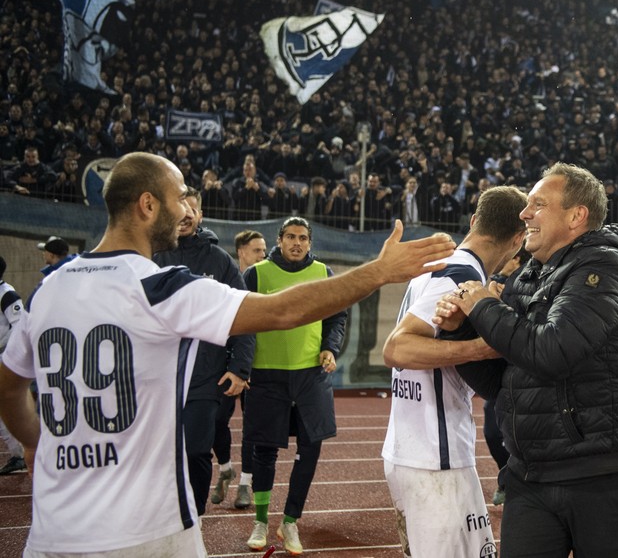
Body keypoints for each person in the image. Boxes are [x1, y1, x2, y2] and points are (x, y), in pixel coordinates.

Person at [0, 152, 454, 557]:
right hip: (142, 530)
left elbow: (7, 384)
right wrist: (378, 272)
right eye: (180, 198)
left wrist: (40, 441)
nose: (187, 210)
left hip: (52, 531)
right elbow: (283, 310)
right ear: (147, 205)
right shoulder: (160, 287)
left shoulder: (49, 287)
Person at [438, 163, 618, 558]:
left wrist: (484, 306)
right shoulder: (529, 275)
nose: (524, 213)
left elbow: (553, 351)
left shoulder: (604, 266)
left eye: (538, 204)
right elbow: (505, 381)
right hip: (530, 473)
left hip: (601, 476)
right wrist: (460, 329)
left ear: (576, 216)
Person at [381, 186, 527, 558]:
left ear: (475, 220)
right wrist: (480, 347)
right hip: (436, 455)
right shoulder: (459, 277)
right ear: (518, 240)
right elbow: (397, 348)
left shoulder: (439, 268)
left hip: (411, 447)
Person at [242, 217, 348, 555]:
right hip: (266, 374)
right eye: (291, 237)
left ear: (309, 242)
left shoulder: (322, 273)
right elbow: (240, 321)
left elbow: (336, 316)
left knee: (311, 446)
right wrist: (241, 366)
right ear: (280, 239)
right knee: (264, 449)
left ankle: (290, 521)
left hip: (309, 375)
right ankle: (260, 521)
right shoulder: (256, 274)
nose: (297, 243)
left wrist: (330, 347)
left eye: (303, 238)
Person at [153, 187, 255, 517]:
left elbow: (244, 313)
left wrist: (240, 367)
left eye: (191, 210)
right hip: (156, 375)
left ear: (200, 216)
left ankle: (193, 517)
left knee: (197, 450)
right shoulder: (150, 255)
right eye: (178, 208)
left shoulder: (220, 261)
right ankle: (163, 514)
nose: (184, 215)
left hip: (203, 376)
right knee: (159, 452)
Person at [210, 229, 268, 510]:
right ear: (241, 252)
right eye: (257, 250)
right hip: (226, 363)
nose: (263, 255)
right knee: (216, 420)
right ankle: (224, 468)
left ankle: (245, 483)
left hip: (257, 364)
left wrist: (248, 365)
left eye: (264, 250)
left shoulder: (265, 278)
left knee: (252, 426)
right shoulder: (226, 277)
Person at [483, 247, 531, 506]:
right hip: (498, 373)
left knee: (521, 436)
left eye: (507, 258)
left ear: (517, 260)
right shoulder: (493, 281)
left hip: (520, 372)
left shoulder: (528, 282)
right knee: (491, 433)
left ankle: (519, 484)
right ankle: (507, 477)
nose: (500, 261)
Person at [0, 256, 26, 476]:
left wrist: (10, 356)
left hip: (4, 358)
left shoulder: (7, 295)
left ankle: (21, 454)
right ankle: (18, 454)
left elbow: (20, 326)